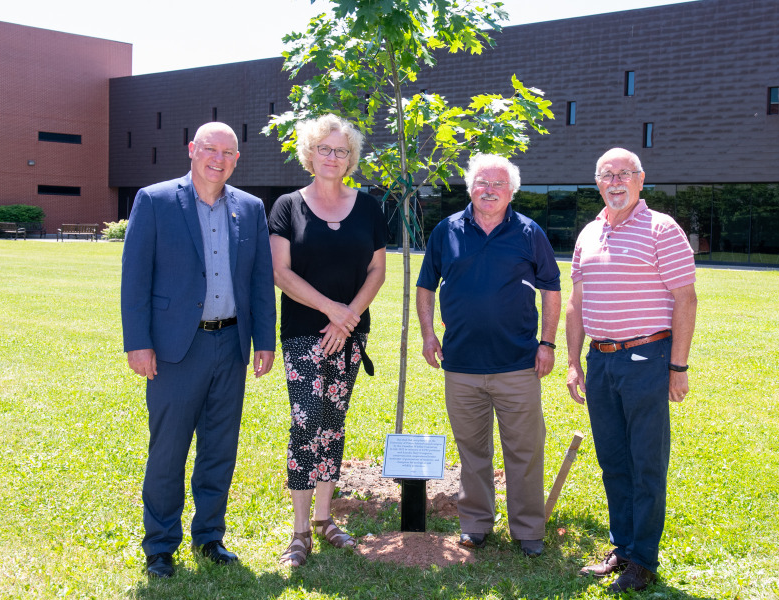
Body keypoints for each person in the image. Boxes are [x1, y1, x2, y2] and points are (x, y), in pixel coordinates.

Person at [121, 122, 276, 579]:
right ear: (192, 150)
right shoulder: (155, 200)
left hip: (230, 344)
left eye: (228, 152)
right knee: (168, 450)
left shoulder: (249, 209)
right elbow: (135, 279)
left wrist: (264, 340)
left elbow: (259, 281)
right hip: (173, 350)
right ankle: (160, 545)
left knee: (219, 449)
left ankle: (209, 537)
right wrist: (139, 343)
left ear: (236, 159)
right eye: (210, 148)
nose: (218, 158)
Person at [416, 153, 561, 558]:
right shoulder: (446, 231)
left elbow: (552, 289)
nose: (489, 190)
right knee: (472, 451)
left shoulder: (530, 232)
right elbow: (426, 286)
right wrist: (428, 335)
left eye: (498, 184)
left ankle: (528, 530)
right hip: (460, 366)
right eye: (482, 182)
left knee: (525, 451)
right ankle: (476, 524)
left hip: (518, 364)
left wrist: (547, 344)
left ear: (512, 190)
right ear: (470, 187)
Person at [566, 148, 697, 592]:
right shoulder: (588, 233)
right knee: (613, 460)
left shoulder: (661, 228)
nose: (615, 181)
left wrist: (678, 366)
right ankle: (622, 547)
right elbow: (576, 305)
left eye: (624, 174)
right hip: (600, 360)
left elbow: (685, 299)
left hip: (648, 358)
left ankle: (643, 558)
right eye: (607, 175)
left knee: (646, 462)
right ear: (597, 183)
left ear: (641, 180)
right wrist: (572, 361)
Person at [268, 114, 387, 568]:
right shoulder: (287, 206)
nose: (332, 157)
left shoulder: (369, 206)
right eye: (324, 149)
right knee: (306, 422)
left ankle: (323, 519)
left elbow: (377, 270)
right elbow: (281, 272)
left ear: (350, 158)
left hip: (351, 333)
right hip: (304, 332)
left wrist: (349, 317)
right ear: (309, 154)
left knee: (333, 423)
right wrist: (331, 311)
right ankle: (299, 532)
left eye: (341, 151)